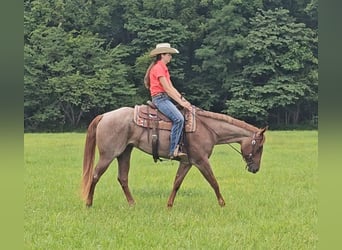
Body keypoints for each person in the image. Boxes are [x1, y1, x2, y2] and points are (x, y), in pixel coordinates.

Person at [144, 43, 192, 159]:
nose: (171, 56)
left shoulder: (163, 68)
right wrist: (181, 103)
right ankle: (173, 150)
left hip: (164, 98)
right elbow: (167, 89)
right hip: (160, 99)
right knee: (179, 119)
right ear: (162, 55)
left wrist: (183, 100)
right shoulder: (158, 68)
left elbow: (172, 88)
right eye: (169, 54)